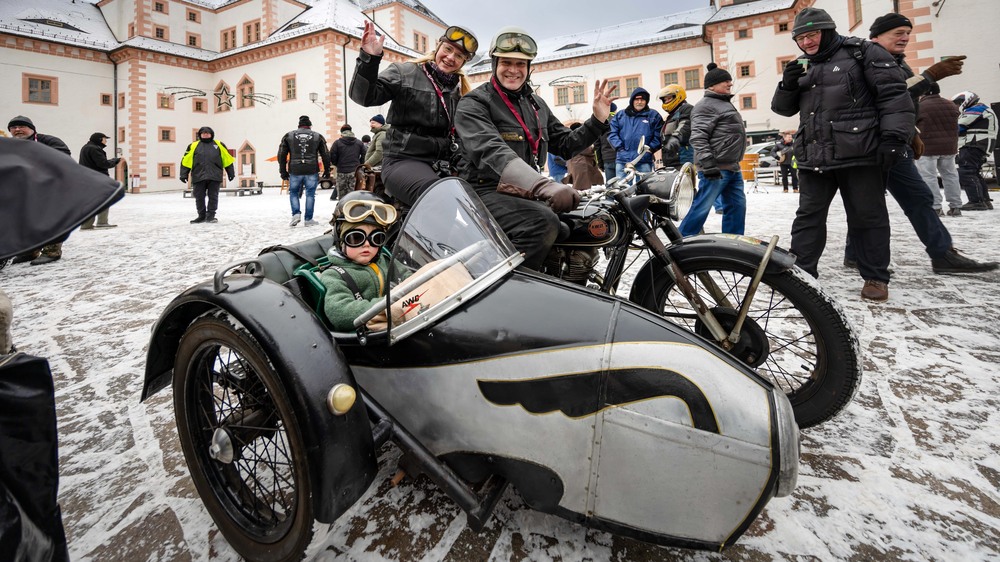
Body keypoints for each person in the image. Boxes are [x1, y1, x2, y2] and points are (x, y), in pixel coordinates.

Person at [771, 7, 913, 302]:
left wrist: (894, 138)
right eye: (801, 37)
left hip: (859, 151)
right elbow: (783, 109)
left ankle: (875, 275)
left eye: (812, 35)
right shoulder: (803, 64)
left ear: (828, 30)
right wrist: (787, 83)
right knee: (808, 217)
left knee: (866, 215)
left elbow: (895, 97)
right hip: (814, 153)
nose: (807, 42)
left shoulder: (864, 53)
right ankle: (801, 273)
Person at [843, 14, 995, 276]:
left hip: (894, 144)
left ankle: (940, 253)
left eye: (907, 33)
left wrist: (911, 132)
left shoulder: (899, 64)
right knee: (871, 204)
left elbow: (901, 105)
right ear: (876, 37)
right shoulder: (864, 61)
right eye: (897, 33)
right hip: (870, 143)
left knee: (915, 198)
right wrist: (930, 75)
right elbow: (888, 94)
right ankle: (860, 255)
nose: (904, 38)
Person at [454, 27, 616, 270]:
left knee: (583, 221)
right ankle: (517, 293)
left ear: (529, 68)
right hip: (484, 191)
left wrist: (597, 121)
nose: (513, 70)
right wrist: (545, 185)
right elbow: (492, 151)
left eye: (521, 64)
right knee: (542, 223)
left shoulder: (536, 104)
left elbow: (565, 144)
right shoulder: (474, 103)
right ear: (495, 64)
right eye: (506, 62)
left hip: (525, 192)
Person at [350, 20, 478, 206]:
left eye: (459, 56)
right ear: (438, 46)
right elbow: (364, 97)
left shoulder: (461, 91)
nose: (451, 57)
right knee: (439, 198)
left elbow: (463, 135)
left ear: (463, 62)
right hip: (403, 160)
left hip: (444, 165)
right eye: (448, 49)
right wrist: (369, 59)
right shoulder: (405, 72)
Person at [678, 63, 746, 238]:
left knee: (736, 207)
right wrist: (708, 163)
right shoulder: (706, 105)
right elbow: (698, 137)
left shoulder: (723, 103)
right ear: (711, 85)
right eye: (725, 81)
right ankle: (680, 241)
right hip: (715, 168)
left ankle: (733, 241)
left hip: (732, 166)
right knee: (702, 207)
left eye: (730, 81)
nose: (730, 84)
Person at [319, 192, 398, 331]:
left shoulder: (383, 260)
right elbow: (339, 312)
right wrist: (390, 304)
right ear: (340, 240)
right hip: (366, 336)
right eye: (356, 238)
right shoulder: (334, 275)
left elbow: (411, 277)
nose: (367, 244)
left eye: (376, 238)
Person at [7, 115, 73, 265]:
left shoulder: (48, 141)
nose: (17, 130)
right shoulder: (9, 146)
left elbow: (62, 157)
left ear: (31, 129)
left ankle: (52, 251)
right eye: (13, 128)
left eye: (21, 126)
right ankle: (29, 251)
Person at [916, 83, 963, 215]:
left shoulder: (920, 107)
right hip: (949, 147)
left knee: (929, 176)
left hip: (927, 148)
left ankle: (936, 206)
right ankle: (956, 206)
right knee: (951, 175)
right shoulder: (951, 105)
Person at [278, 115, 330, 227]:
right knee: (310, 194)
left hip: (295, 169)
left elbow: (281, 154)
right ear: (310, 126)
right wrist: (327, 170)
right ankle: (308, 219)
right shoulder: (318, 136)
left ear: (299, 125)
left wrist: (282, 171)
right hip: (311, 169)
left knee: (293, 193)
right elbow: (325, 154)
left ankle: (296, 214)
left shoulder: (288, 135)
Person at [179, 126, 235, 224]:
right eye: (203, 133)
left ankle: (211, 216)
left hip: (215, 176)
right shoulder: (193, 146)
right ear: (200, 135)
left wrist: (231, 172)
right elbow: (186, 160)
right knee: (199, 197)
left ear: (211, 134)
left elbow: (227, 159)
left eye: (207, 133)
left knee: (213, 196)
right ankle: (201, 216)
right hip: (198, 176)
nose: (205, 134)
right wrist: (183, 174)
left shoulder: (219, 144)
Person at [954, 91, 998, 210]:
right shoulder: (982, 109)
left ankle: (976, 201)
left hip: (974, 144)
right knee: (974, 172)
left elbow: (957, 127)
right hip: (979, 145)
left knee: (966, 172)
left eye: (958, 102)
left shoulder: (977, 109)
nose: (958, 105)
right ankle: (984, 200)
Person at [608, 87, 662, 180]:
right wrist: (620, 149)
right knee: (623, 190)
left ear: (646, 101)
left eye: (642, 99)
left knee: (644, 189)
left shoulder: (654, 116)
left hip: (644, 160)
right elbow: (612, 134)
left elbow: (659, 136)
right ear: (632, 100)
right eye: (637, 99)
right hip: (623, 161)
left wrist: (650, 150)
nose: (639, 102)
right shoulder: (620, 115)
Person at [78, 132, 121, 230]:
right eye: (105, 139)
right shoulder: (94, 149)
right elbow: (103, 164)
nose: (106, 141)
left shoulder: (86, 148)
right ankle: (102, 222)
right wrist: (114, 161)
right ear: (99, 139)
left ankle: (86, 225)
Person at [657, 84, 693, 169]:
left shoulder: (686, 109)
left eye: (669, 98)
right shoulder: (671, 116)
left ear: (678, 96)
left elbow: (685, 125)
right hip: (671, 161)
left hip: (683, 160)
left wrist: (675, 139)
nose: (666, 101)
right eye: (665, 99)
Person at [329, 124, 365, 200]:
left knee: (342, 195)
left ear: (341, 133)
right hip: (355, 171)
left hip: (341, 171)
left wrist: (336, 164)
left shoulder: (337, 143)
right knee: (354, 194)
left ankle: (342, 209)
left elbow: (332, 155)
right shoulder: (359, 143)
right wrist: (360, 164)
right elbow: (364, 154)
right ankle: (352, 209)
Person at [563, 122, 605, 188]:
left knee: (578, 186)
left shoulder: (570, 139)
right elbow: (587, 151)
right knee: (583, 187)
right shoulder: (579, 139)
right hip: (582, 167)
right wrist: (593, 148)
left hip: (574, 166)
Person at [594, 102, 618, 182]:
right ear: (614, 110)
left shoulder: (600, 123)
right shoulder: (619, 120)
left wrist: (600, 164)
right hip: (620, 158)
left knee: (611, 186)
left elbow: (597, 146)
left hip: (607, 159)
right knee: (622, 186)